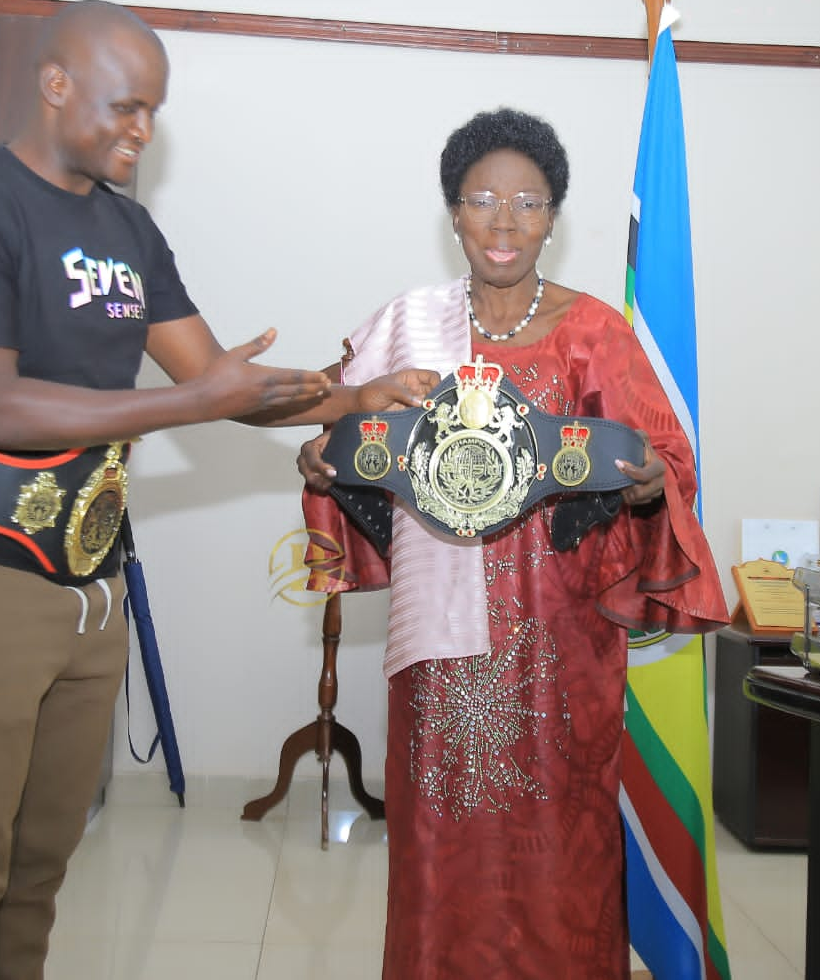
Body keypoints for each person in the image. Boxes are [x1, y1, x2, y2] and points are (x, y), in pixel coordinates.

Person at [0, 0, 434, 980]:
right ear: (56, 86)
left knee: (39, 865)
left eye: (153, 114)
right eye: (126, 108)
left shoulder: (127, 229)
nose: (141, 131)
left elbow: (217, 379)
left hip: (91, 586)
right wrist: (190, 399)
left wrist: (352, 396)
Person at [296, 107, 728, 979]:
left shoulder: (594, 332)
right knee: (438, 847)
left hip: (561, 653)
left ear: (554, 218)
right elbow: (338, 434)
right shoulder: (407, 328)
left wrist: (646, 475)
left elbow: (667, 464)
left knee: (561, 859)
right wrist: (322, 454)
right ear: (451, 211)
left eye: (527, 202)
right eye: (482, 199)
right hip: (441, 657)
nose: (504, 221)